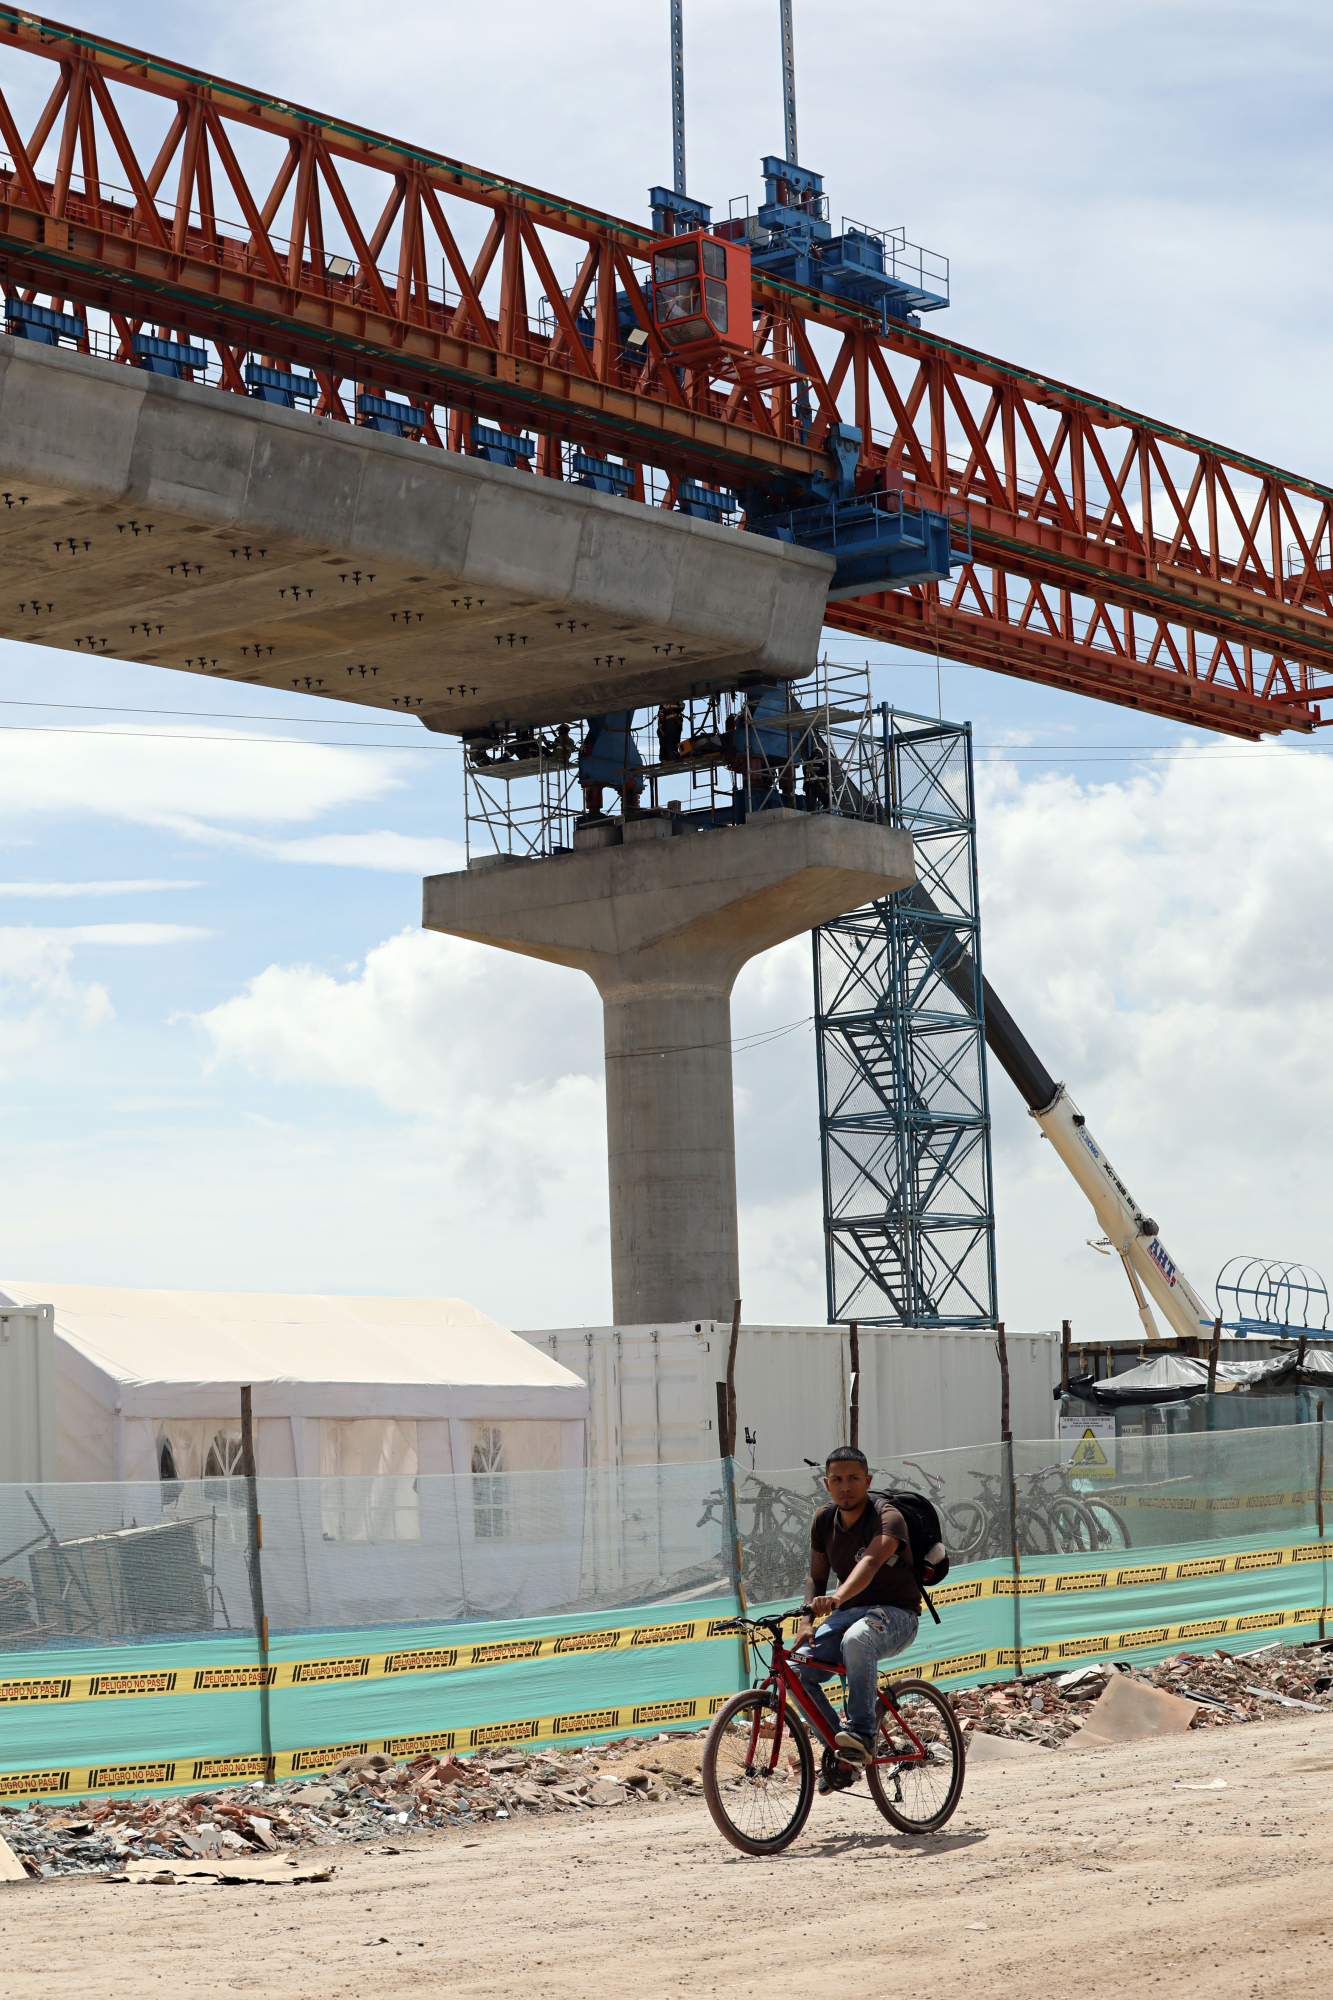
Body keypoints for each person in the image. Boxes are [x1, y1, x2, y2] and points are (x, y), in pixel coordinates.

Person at [793, 1445, 920, 1791]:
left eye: (853, 1479)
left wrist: (835, 1598)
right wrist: (806, 1620)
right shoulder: (823, 1520)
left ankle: (862, 1734)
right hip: (850, 1613)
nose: (845, 1486)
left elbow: (869, 1564)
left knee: (857, 1639)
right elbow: (816, 1576)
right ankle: (841, 1752)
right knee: (796, 1668)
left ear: (868, 1480)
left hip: (897, 1614)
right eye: (837, 1479)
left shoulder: (888, 1516)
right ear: (826, 1483)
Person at [578, 711, 645, 820]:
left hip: (596, 749)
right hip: (600, 748)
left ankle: (594, 812)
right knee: (631, 810)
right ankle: (631, 809)